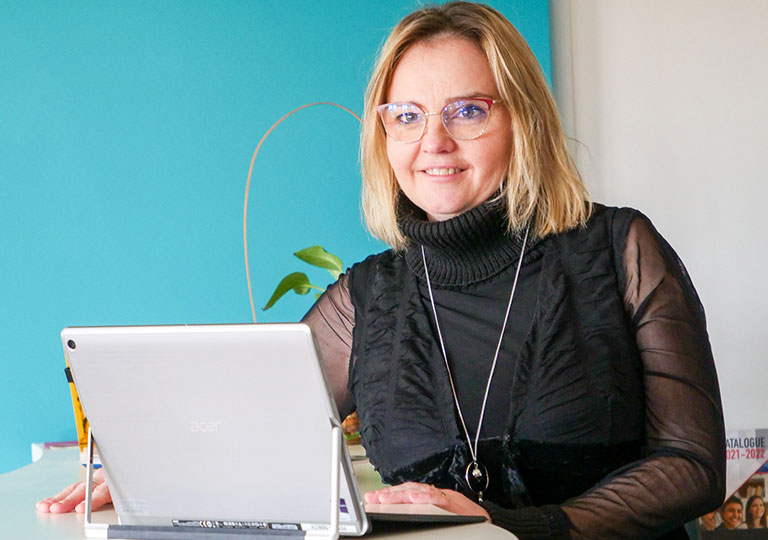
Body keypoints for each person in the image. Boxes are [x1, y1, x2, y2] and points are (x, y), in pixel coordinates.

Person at [38, 2, 725, 539]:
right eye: (407, 116)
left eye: (468, 110)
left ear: (525, 122)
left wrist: (522, 529)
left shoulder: (621, 250)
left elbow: (691, 466)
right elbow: (250, 432)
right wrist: (152, 473)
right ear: (383, 133)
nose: (434, 142)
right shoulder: (365, 300)